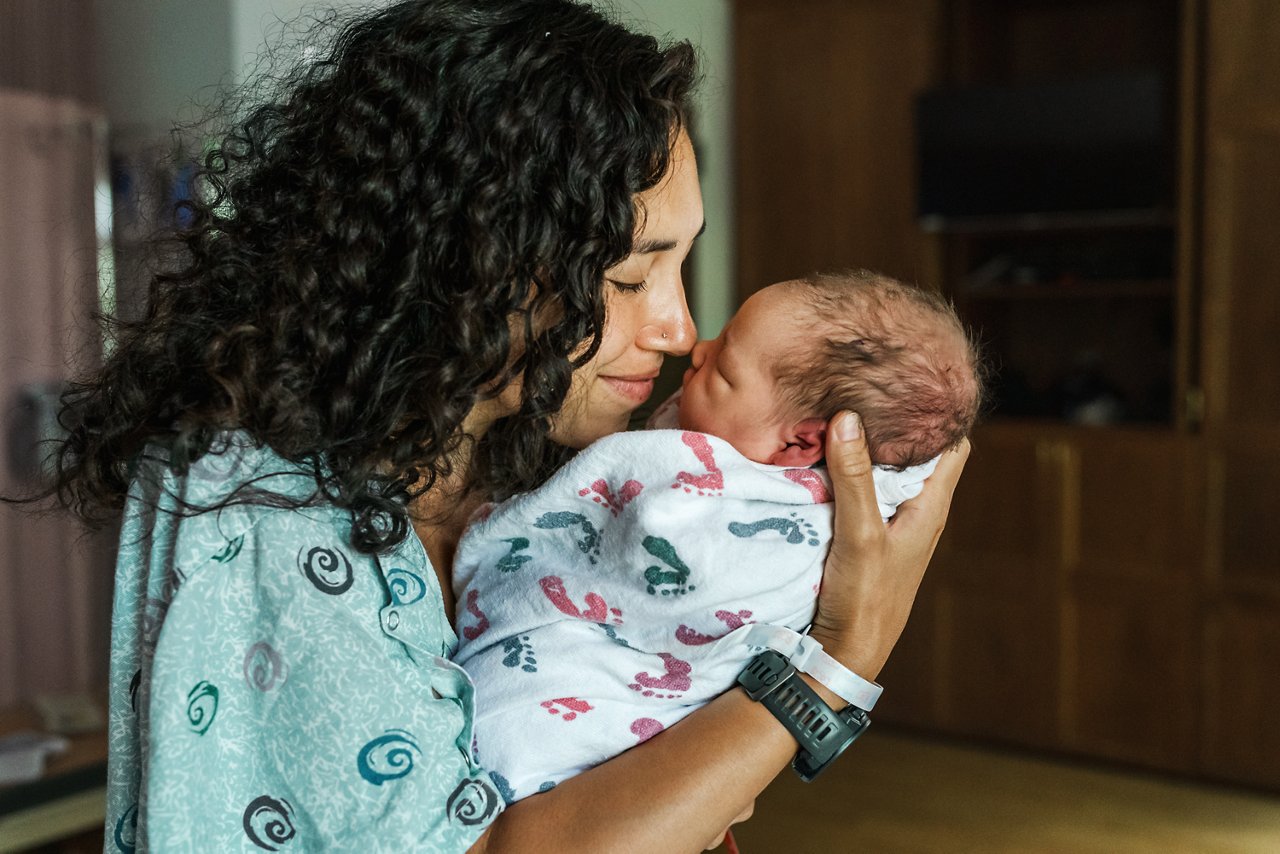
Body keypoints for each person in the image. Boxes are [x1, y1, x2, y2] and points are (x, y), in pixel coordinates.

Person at [39, 1, 968, 850]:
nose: (681, 330)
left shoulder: (535, 466)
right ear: (478, 259)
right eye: (630, 277)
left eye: (681, 267)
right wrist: (833, 669)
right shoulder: (274, 511)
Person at [453, 271, 981, 800]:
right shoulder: (733, 447)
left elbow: (673, 560)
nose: (697, 348)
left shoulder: (793, 529)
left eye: (724, 369)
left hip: (579, 727)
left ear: (800, 444)